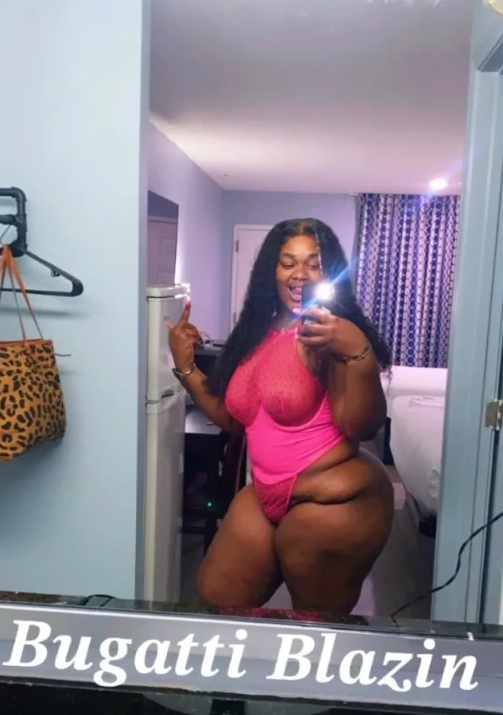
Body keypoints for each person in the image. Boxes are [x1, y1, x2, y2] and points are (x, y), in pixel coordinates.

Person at [167, 218, 394, 615]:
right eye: (288, 262)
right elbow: (237, 422)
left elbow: (362, 426)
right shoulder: (257, 332)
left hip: (335, 499)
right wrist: (186, 367)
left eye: (313, 264)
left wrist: (357, 351)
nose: (299, 274)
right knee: (217, 599)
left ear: (329, 274)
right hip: (266, 493)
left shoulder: (329, 334)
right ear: (271, 270)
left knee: (315, 624)